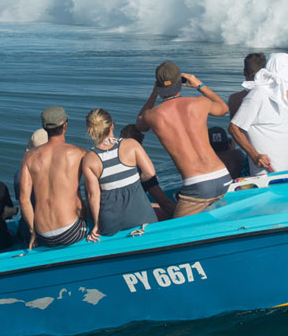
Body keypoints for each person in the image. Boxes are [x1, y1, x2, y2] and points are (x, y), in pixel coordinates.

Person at [136, 61, 231, 218]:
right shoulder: (200, 103)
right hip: (222, 176)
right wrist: (200, 85)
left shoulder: (152, 115)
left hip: (197, 185)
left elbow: (140, 124)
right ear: (180, 83)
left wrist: (154, 93)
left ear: (158, 86)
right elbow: (223, 108)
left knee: (176, 229)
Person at [18, 106, 89, 248]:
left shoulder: (29, 157)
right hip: (71, 231)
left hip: (43, 235)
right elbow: (93, 188)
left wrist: (33, 233)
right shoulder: (78, 153)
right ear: (65, 126)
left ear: (44, 128)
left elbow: (24, 199)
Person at [82, 109, 160, 237]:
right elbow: (150, 173)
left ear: (91, 130)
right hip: (141, 215)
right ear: (112, 125)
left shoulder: (90, 159)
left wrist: (97, 224)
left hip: (111, 222)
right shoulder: (131, 145)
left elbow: (93, 195)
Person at [119, 123, 177, 216]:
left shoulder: (109, 163)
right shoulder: (142, 169)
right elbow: (163, 202)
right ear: (141, 139)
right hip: (133, 215)